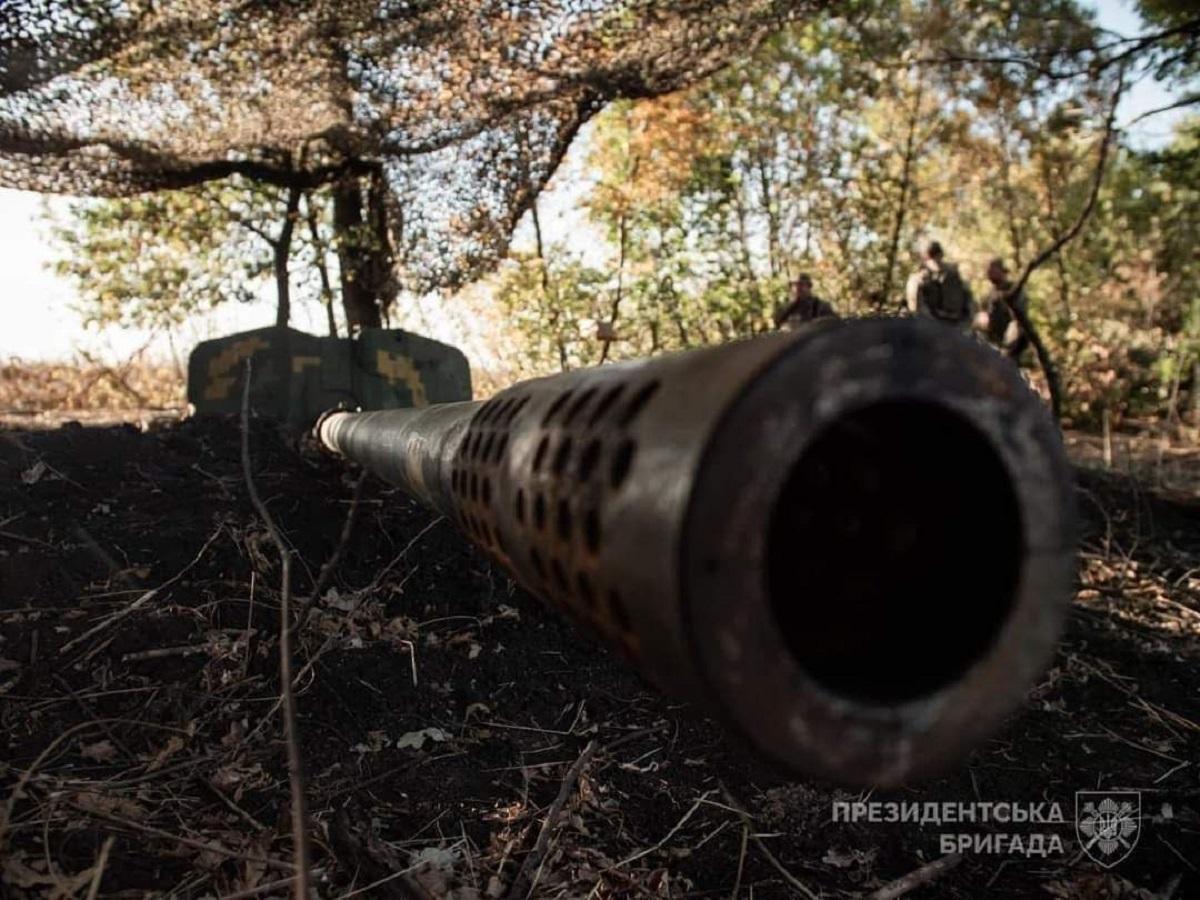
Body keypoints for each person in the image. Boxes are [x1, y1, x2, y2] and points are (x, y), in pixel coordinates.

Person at [905, 241, 974, 330]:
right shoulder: (955, 276)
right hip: (950, 328)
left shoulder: (918, 279)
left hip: (940, 329)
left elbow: (916, 310)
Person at [976, 257, 1030, 360]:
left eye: (993, 270)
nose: (990, 274)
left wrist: (1007, 346)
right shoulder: (988, 295)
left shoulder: (1014, 289)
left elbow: (1018, 320)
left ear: (1002, 271)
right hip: (993, 343)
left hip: (1013, 343)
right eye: (989, 271)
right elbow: (981, 319)